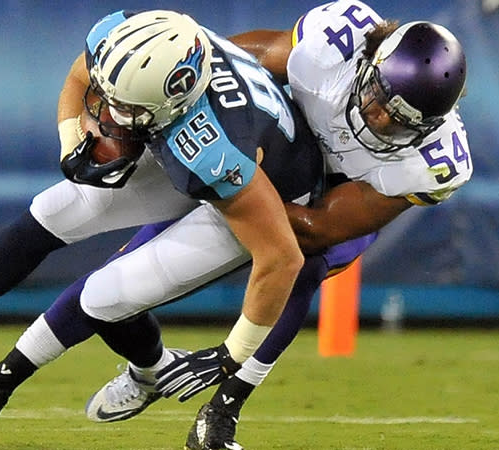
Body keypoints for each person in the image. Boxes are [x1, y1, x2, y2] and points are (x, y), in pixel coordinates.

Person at [0, 8, 325, 432]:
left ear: (175, 98)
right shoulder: (141, 46)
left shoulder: (216, 148)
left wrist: (232, 355)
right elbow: (83, 73)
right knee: (55, 208)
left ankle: (150, 375)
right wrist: (69, 139)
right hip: (185, 140)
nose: (105, 113)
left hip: (264, 194)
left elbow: (280, 257)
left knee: (105, 295)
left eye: (123, 107)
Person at [144, 2, 471, 449]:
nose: (378, 120)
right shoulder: (334, 46)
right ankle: (137, 353)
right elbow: (235, 66)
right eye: (381, 101)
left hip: (340, 194)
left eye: (400, 122)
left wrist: (238, 186)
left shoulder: (436, 162)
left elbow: (321, 228)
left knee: (305, 264)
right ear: (371, 64)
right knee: (177, 209)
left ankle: (222, 412)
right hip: (285, 143)